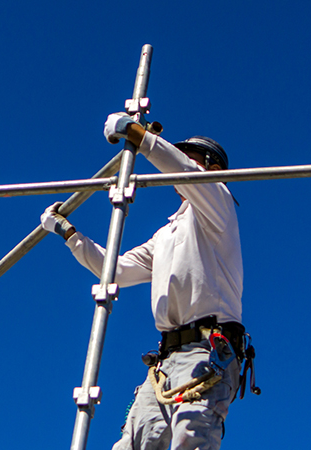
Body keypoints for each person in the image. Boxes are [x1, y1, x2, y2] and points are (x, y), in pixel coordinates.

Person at [40, 113, 246, 450]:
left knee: (191, 439)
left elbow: (187, 174)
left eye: (189, 156)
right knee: (134, 443)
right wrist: (68, 234)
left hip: (206, 349)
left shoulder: (218, 204)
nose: (180, 160)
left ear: (212, 168)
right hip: (168, 359)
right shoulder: (166, 234)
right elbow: (116, 270)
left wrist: (139, 136)